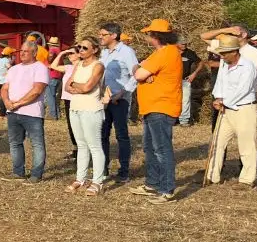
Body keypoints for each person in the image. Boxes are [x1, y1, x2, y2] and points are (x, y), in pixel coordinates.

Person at [129, 19, 184, 204]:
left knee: (161, 149)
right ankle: (152, 183)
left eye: (149, 34)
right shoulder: (163, 53)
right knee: (150, 148)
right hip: (153, 108)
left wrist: (138, 68)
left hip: (161, 107)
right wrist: (141, 69)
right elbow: (141, 72)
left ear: (156, 36)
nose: (147, 36)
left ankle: (166, 189)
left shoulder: (165, 53)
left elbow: (138, 73)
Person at [206, 33, 257, 190]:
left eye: (224, 53)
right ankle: (212, 176)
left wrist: (224, 101)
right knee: (217, 143)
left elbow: (243, 89)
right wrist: (217, 98)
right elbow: (220, 84)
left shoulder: (248, 66)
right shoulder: (224, 65)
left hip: (244, 109)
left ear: (234, 52)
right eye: (220, 53)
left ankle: (246, 180)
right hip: (225, 110)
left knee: (246, 145)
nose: (221, 56)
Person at [61, 37, 107, 195]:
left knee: (94, 145)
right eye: (79, 47)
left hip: (91, 109)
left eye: (84, 48)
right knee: (81, 145)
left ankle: (97, 181)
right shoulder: (79, 64)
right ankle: (80, 178)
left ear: (94, 50)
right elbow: (67, 85)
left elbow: (88, 86)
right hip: (75, 107)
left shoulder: (98, 65)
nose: (80, 50)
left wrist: (76, 85)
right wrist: (77, 86)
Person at [1, 42, 50, 183]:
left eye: (26, 51)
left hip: (32, 113)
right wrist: (7, 102)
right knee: (15, 143)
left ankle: (36, 175)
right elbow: (5, 88)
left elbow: (37, 90)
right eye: (21, 51)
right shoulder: (14, 69)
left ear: (35, 53)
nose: (22, 53)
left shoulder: (40, 68)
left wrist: (17, 103)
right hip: (13, 112)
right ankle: (18, 172)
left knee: (37, 144)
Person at [98, 22, 138, 185]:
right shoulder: (103, 53)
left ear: (113, 35)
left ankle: (124, 171)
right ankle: (103, 169)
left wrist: (123, 92)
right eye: (99, 34)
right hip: (104, 101)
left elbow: (136, 74)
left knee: (121, 135)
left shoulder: (127, 52)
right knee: (102, 135)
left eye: (103, 34)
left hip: (119, 101)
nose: (100, 37)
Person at [48, 47, 79, 160]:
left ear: (79, 54)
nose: (69, 55)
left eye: (72, 53)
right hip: (67, 99)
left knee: (78, 125)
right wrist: (62, 53)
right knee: (71, 125)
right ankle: (76, 149)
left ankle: (82, 150)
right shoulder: (68, 67)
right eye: (69, 54)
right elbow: (53, 66)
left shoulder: (81, 67)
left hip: (77, 99)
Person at [178, 41, 206, 127]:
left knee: (185, 100)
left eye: (185, 44)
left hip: (185, 80)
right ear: (176, 44)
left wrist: (194, 74)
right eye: (182, 43)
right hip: (171, 81)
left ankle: (184, 121)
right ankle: (171, 119)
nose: (184, 45)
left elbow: (201, 63)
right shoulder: (170, 52)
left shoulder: (189, 53)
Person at [45, 37, 63, 120]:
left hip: (52, 75)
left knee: (50, 96)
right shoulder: (59, 51)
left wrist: (48, 63)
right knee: (55, 97)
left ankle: (53, 115)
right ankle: (57, 114)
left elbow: (50, 57)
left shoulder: (52, 50)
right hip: (59, 75)